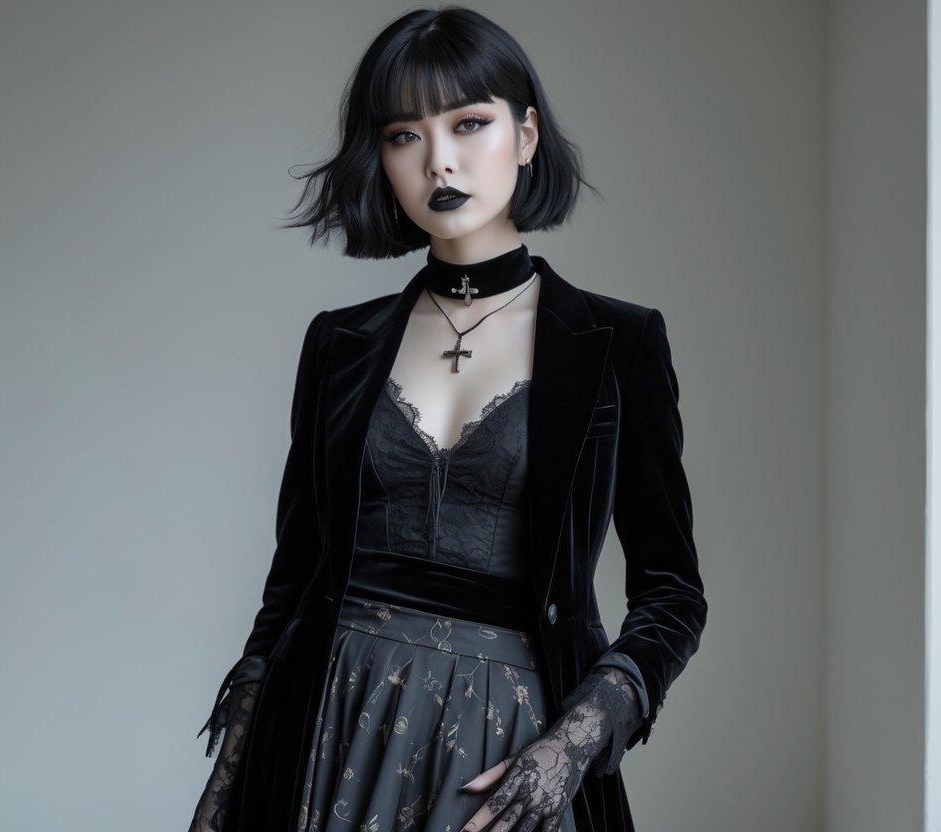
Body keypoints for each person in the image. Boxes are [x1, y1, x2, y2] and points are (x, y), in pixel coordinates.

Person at [188, 7, 706, 832]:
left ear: (526, 134)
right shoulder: (339, 344)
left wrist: (573, 743)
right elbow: (291, 585)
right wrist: (227, 783)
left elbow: (672, 592)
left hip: (510, 740)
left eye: (469, 123)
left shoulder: (619, 344)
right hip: (329, 720)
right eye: (404, 136)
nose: (439, 160)